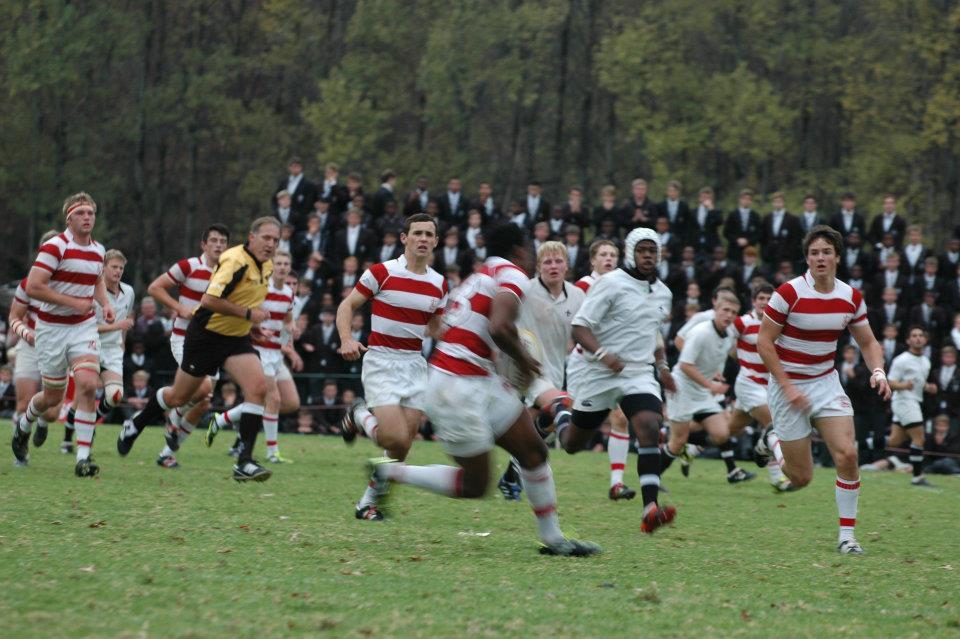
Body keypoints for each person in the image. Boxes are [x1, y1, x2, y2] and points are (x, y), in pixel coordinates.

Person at [365, 224, 600, 557]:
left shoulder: (484, 272)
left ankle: (553, 539)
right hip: (456, 387)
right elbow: (499, 327)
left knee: (534, 452)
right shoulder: (513, 274)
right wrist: (525, 360)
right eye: (531, 250)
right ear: (520, 250)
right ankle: (389, 471)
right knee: (475, 486)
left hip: (476, 379)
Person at [755, 225, 891, 555]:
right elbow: (764, 342)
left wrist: (878, 370)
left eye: (826, 252)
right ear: (807, 258)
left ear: (837, 258)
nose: (820, 257)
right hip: (788, 385)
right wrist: (786, 386)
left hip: (825, 383)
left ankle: (847, 537)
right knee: (801, 477)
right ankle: (770, 440)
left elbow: (869, 341)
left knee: (848, 454)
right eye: (814, 252)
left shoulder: (850, 297)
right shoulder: (789, 293)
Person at [119, 217, 281, 482]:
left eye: (276, 240)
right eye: (266, 238)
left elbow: (241, 301)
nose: (271, 244)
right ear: (251, 237)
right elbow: (209, 300)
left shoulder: (267, 266)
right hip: (205, 337)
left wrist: (250, 326)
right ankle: (135, 424)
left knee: (258, 389)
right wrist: (250, 314)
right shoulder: (234, 261)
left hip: (235, 339)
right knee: (179, 397)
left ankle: (245, 462)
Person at [561, 228, 677, 533]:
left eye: (653, 250)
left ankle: (650, 509)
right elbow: (579, 327)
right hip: (598, 372)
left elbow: (652, 334)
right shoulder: (611, 283)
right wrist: (603, 355)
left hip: (638, 372)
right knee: (572, 444)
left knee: (650, 426)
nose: (648, 255)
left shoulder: (664, 292)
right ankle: (561, 415)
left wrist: (663, 367)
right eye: (642, 250)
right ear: (630, 253)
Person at [337, 213, 448, 520]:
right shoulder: (382, 272)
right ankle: (359, 414)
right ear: (405, 238)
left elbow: (436, 328)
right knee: (393, 437)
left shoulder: (439, 284)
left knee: (402, 448)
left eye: (429, 234)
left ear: (436, 241)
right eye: (418, 233)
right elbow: (347, 306)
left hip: (414, 364)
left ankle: (367, 504)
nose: (423, 239)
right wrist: (347, 338)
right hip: (381, 361)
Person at [12, 192, 113, 477]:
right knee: (52, 398)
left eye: (91, 213)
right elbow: (34, 286)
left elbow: (97, 280)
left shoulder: (99, 250)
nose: (87, 217)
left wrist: (104, 304)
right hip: (52, 329)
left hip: (83, 327)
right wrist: (72, 302)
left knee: (89, 384)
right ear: (69, 218)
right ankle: (24, 426)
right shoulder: (55, 247)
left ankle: (82, 458)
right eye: (81, 213)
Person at [494, 241, 584, 500]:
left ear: (567, 265)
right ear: (538, 267)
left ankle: (512, 475)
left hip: (554, 372)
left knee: (535, 432)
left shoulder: (578, 296)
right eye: (547, 262)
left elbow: (583, 329)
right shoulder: (524, 290)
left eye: (558, 261)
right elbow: (502, 319)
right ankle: (569, 439)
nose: (553, 266)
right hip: (524, 369)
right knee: (562, 404)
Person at [146, 224, 231, 463]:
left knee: (204, 402)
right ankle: (172, 415)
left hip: (212, 343)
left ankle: (167, 454)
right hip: (184, 338)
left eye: (223, 242)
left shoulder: (229, 272)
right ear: (203, 244)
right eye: (213, 240)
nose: (218, 245)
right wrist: (178, 307)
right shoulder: (188, 266)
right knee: (202, 389)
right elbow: (155, 288)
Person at [208, 250, 301, 464]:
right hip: (258, 351)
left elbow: (287, 320)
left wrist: (292, 329)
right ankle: (272, 452)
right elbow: (246, 315)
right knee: (273, 399)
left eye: (286, 263)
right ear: (272, 265)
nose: (283, 267)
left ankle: (222, 419)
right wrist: (256, 328)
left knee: (290, 402)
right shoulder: (262, 289)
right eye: (278, 263)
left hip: (276, 353)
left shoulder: (288, 292)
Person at [661, 293, 757, 484]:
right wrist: (710, 384)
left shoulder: (729, 334)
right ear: (716, 310)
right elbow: (686, 365)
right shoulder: (701, 331)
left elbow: (717, 356)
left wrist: (716, 374)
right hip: (683, 387)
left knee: (722, 433)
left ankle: (693, 450)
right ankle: (651, 477)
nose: (729, 315)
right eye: (725, 310)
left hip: (702, 390)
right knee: (677, 441)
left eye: (733, 312)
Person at [572, 240, 636, 499]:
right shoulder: (584, 286)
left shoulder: (624, 288)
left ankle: (616, 483)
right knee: (565, 420)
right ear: (593, 261)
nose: (609, 258)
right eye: (603, 255)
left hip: (611, 365)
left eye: (613, 255)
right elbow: (576, 326)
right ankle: (517, 466)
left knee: (620, 418)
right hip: (585, 365)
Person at [726, 282, 793, 490]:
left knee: (728, 430)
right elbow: (725, 346)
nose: (764, 302)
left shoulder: (778, 325)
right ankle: (777, 478)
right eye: (760, 298)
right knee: (773, 425)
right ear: (754, 301)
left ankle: (692, 447)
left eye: (768, 299)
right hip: (747, 384)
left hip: (767, 386)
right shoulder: (742, 322)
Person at [63, 250, 136, 434]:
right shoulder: (92, 293)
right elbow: (88, 327)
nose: (118, 271)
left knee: (115, 397)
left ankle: (90, 421)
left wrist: (122, 343)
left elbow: (126, 322)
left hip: (113, 350)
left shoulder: (129, 292)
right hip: (90, 346)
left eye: (121, 267)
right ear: (103, 268)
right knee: (84, 392)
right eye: (113, 267)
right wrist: (117, 326)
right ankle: (67, 437)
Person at [8, 231, 65, 452]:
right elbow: (14, 317)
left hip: (58, 347)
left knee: (51, 412)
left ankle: (40, 421)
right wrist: (25, 334)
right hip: (30, 346)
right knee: (22, 404)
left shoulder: (71, 283)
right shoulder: (28, 283)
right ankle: (21, 451)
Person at [885, 326, 936, 486]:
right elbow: (890, 382)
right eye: (914, 335)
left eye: (921, 335)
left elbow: (919, 382)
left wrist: (928, 387)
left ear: (925, 340)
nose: (918, 338)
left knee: (894, 441)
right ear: (908, 340)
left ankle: (860, 446)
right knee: (919, 438)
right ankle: (917, 477)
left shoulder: (926, 361)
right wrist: (903, 386)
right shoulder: (902, 359)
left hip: (913, 401)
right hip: (905, 401)